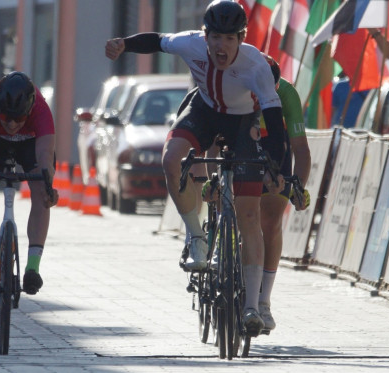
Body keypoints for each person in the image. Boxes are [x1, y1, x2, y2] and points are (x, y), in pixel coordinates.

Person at [104, 0, 286, 335]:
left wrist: (279, 168)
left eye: (230, 39)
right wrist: (125, 44)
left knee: (249, 215)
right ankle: (196, 234)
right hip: (203, 109)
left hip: (243, 120)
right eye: (215, 37)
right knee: (172, 158)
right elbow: (157, 40)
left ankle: (252, 308)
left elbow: (275, 122)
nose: (221, 46)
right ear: (205, 36)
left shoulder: (256, 66)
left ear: (241, 38)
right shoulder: (190, 43)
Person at [0, 71, 59, 322]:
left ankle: (32, 268)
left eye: (19, 118)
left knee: (41, 191)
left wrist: (49, 185)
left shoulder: (40, 109)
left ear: (29, 110)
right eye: (6, 117)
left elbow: (46, 157)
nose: (13, 124)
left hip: (30, 144)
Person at [256, 56, 311, 330]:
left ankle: (263, 300)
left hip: (275, 147)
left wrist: (298, 186)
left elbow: (300, 148)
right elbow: (218, 140)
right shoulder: (239, 85)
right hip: (244, 139)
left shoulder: (287, 94)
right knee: (236, 205)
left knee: (271, 219)